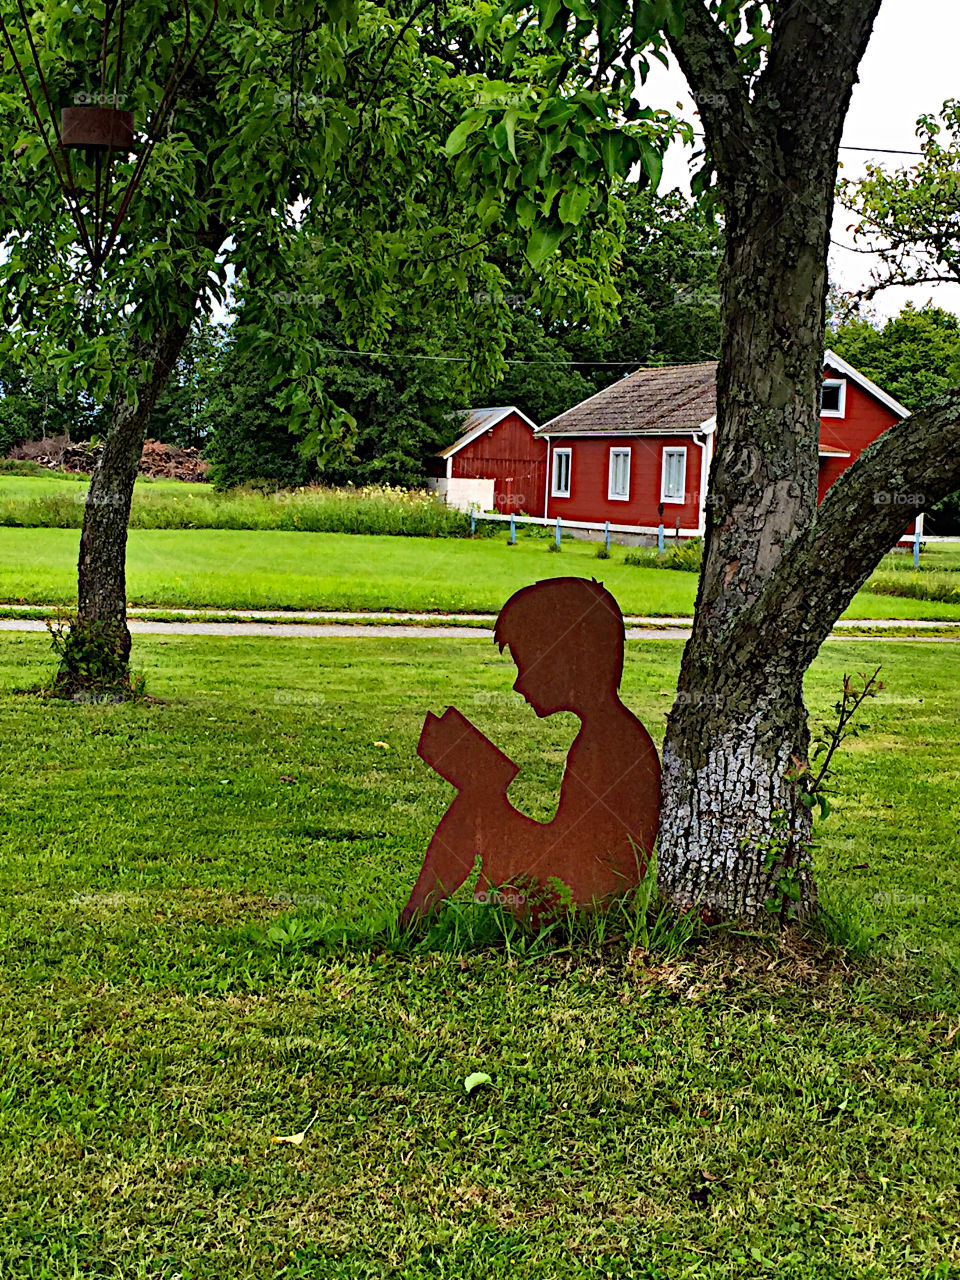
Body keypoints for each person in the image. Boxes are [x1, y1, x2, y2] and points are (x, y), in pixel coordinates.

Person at [399, 577, 661, 926]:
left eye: (527, 664)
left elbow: (583, 856)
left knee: (478, 803)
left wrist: (483, 785)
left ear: (569, 661)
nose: (519, 683)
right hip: (583, 888)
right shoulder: (608, 736)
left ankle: (414, 918)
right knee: (481, 794)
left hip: (580, 900)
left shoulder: (610, 743)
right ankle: (418, 915)